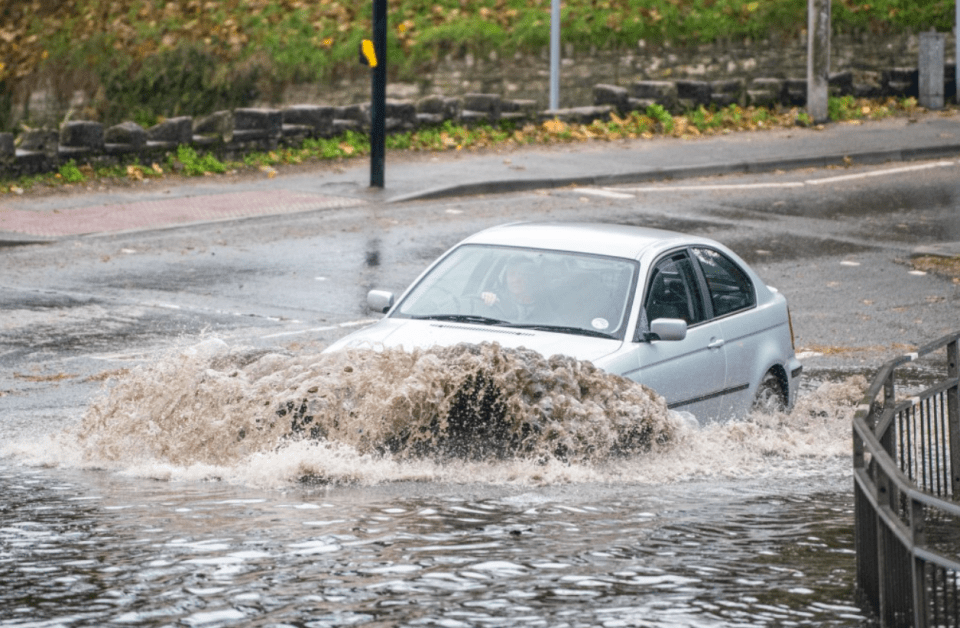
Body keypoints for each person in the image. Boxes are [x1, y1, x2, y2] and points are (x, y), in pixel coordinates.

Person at [480, 260, 544, 321]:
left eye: (522, 274)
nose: (516, 280)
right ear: (506, 278)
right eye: (511, 274)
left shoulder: (546, 305)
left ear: (532, 278)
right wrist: (486, 297)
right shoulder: (497, 299)